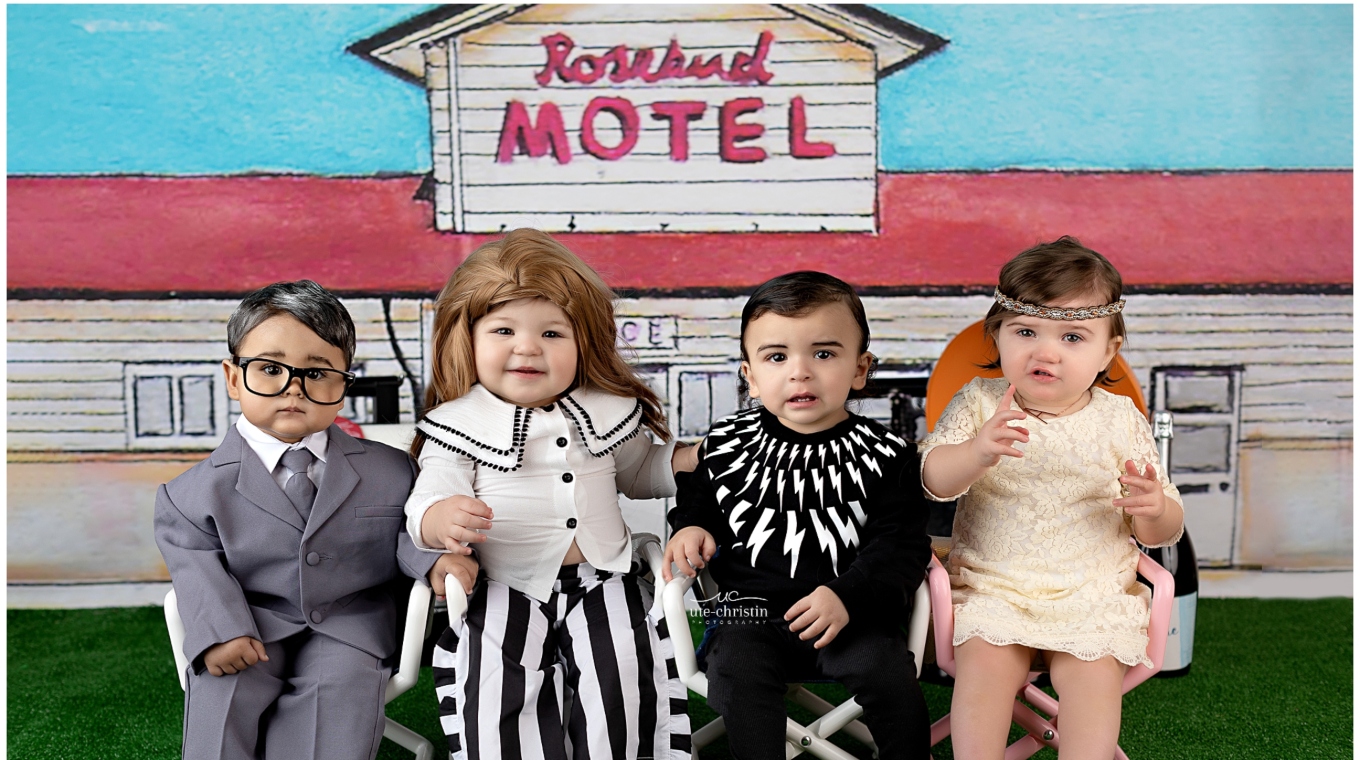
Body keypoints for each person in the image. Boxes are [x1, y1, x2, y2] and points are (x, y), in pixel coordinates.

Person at [405, 228, 697, 760]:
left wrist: (687, 460)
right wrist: (439, 518)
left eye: (553, 333)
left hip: (603, 578)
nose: (528, 347)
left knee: (621, 674)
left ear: (584, 343)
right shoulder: (458, 426)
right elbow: (427, 497)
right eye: (503, 330)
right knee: (496, 684)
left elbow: (639, 472)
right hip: (503, 584)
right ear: (467, 339)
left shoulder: (605, 412)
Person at [154, 280, 474, 760]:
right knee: (223, 699)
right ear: (234, 378)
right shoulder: (189, 494)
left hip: (350, 626)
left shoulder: (391, 469)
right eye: (270, 369)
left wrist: (434, 561)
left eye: (318, 372)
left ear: (344, 385)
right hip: (250, 626)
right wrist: (222, 631)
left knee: (337, 699)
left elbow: (406, 532)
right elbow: (197, 570)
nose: (294, 388)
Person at [920, 236, 1185, 759]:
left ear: (1108, 350)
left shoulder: (1120, 418)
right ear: (996, 335)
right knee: (984, 671)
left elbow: (1164, 531)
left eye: (1072, 337)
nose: (1045, 352)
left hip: (1092, 594)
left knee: (1092, 683)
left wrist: (1154, 509)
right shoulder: (980, 403)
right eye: (1025, 331)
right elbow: (932, 480)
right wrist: (975, 452)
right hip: (995, 588)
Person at [663, 271, 933, 760]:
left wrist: (847, 595)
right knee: (737, 674)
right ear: (750, 376)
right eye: (777, 357)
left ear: (860, 368)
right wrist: (691, 527)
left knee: (890, 675)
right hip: (749, 615)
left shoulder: (888, 455)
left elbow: (901, 545)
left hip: (855, 616)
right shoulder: (725, 444)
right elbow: (698, 498)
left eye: (824, 354)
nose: (800, 372)